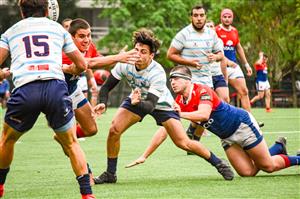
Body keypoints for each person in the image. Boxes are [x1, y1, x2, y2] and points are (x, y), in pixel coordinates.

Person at [92, 28, 234, 184]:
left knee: (183, 143)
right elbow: (105, 87)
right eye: (136, 50)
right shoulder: (125, 64)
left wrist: (136, 102)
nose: (138, 54)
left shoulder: (157, 72)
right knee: (114, 130)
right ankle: (110, 174)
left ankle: (218, 162)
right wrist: (102, 103)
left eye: (143, 52)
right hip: (137, 99)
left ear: (151, 56)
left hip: (160, 104)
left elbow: (150, 105)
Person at [127, 65, 300, 177]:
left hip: (241, 125)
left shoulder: (203, 90)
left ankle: (297, 158)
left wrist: (180, 114)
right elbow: (165, 129)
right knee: (248, 172)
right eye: (170, 79)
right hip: (226, 138)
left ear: (188, 80)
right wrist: (144, 155)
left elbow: (203, 114)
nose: (172, 82)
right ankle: (278, 148)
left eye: (176, 78)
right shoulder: (179, 103)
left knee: (268, 166)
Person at [0, 1, 95, 199]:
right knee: (71, 143)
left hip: (26, 88)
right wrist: (73, 70)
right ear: (46, 10)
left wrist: (2, 74)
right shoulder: (58, 29)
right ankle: (87, 194)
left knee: (7, 140)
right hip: (55, 88)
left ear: (22, 11)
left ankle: (0, 187)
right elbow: (82, 64)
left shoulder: (10, 32)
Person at [166, 5, 224, 145]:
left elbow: (221, 54)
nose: (199, 18)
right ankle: (194, 137)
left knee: (205, 114)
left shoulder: (211, 33)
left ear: (205, 16)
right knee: (198, 112)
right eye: (196, 15)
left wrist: (214, 57)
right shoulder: (184, 34)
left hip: (206, 78)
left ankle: (194, 136)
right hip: (188, 79)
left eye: (201, 15)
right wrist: (189, 62)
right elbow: (170, 54)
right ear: (191, 17)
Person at [215, 8, 252, 112]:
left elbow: (238, 47)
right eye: (224, 17)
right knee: (224, 98)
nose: (227, 19)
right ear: (221, 18)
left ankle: (249, 120)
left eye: (229, 17)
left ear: (232, 18)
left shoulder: (234, 31)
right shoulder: (216, 30)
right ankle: (224, 122)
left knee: (244, 91)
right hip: (220, 68)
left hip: (234, 66)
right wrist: (226, 61)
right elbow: (215, 50)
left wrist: (246, 64)